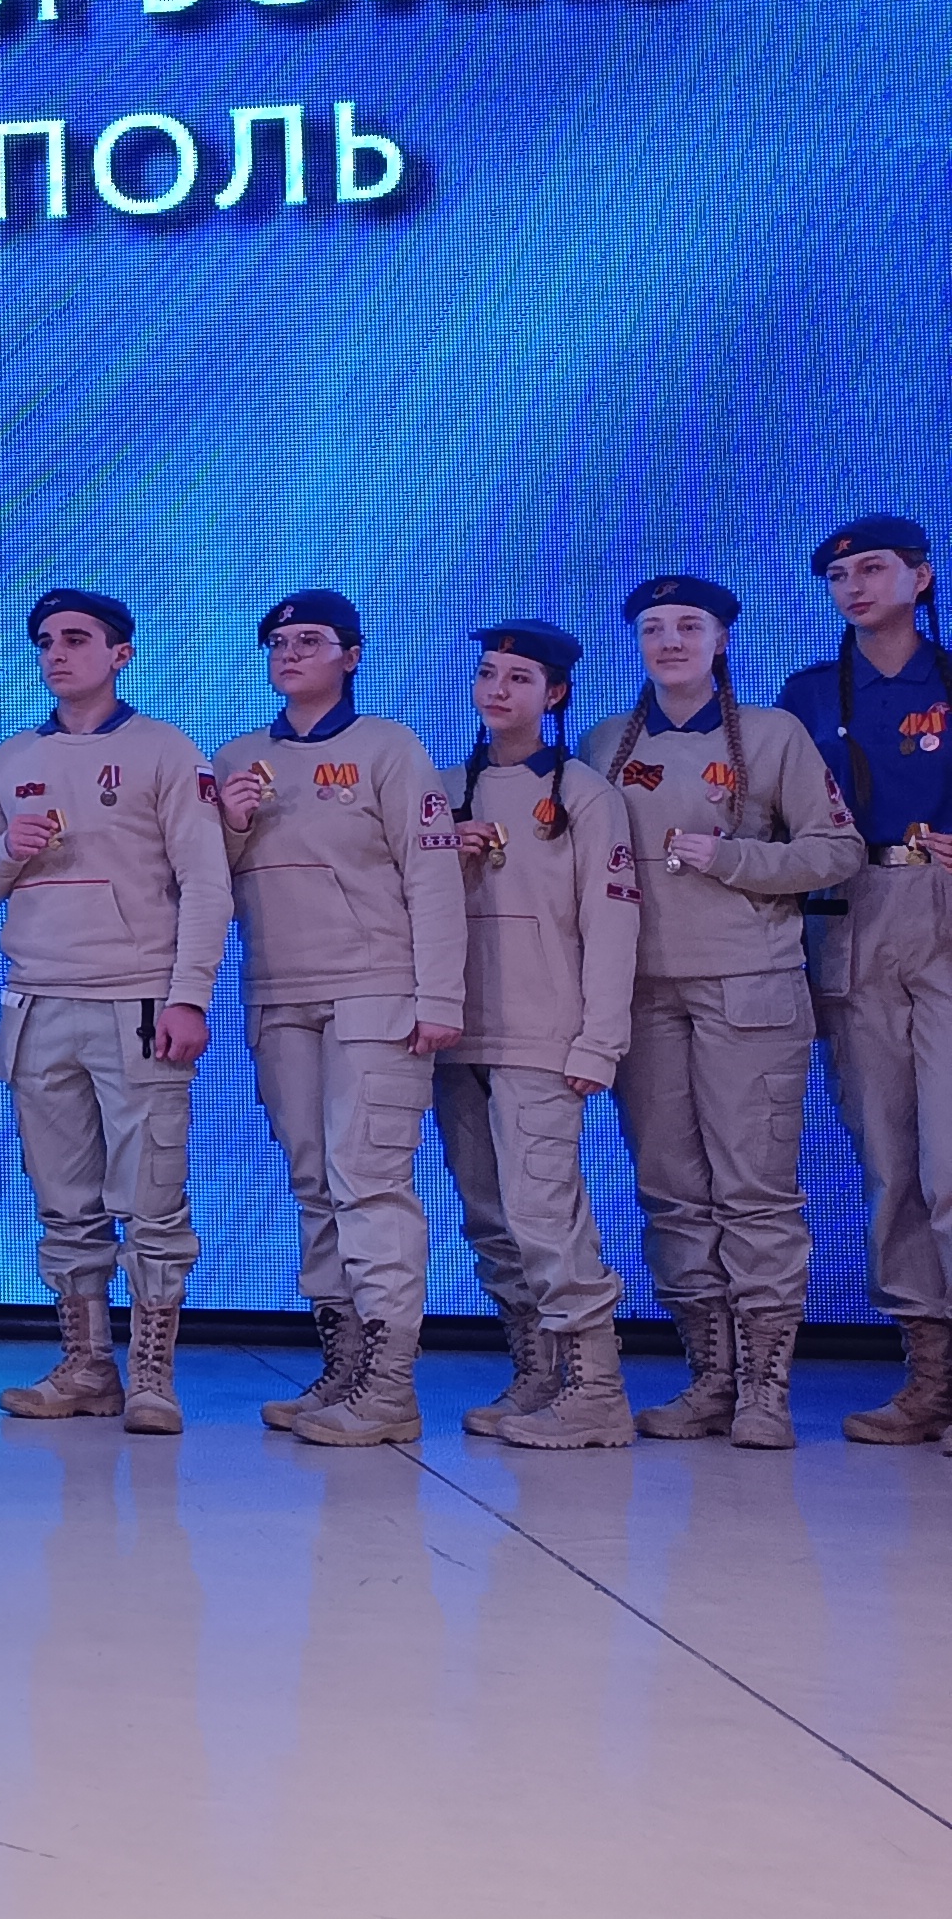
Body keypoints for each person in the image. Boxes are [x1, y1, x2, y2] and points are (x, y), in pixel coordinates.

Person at [586, 574, 857, 1445]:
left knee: (754, 1192)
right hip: (642, 991)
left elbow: (838, 850)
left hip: (750, 987)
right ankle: (710, 1377)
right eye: (653, 627)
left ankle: (765, 1389)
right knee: (671, 1191)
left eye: (688, 626)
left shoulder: (772, 736)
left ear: (721, 639)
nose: (670, 641)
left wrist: (733, 858)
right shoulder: (604, 743)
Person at [0, 589, 230, 1431]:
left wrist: (188, 997)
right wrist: (8, 853)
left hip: (136, 1002)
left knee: (151, 1200)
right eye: (45, 641)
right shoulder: (11, 759)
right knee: (64, 1201)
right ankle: (86, 1367)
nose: (57, 654)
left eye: (76, 639)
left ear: (120, 654)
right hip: (38, 1003)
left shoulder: (165, 751)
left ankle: (152, 1375)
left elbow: (206, 882)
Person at [208, 590, 466, 1447]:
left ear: (351, 656)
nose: (289, 653)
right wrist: (230, 823)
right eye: (278, 641)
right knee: (313, 1179)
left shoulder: (389, 748)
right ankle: (344, 1365)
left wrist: (439, 997)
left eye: (310, 640)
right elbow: (207, 882)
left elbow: (433, 877)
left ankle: (389, 1386)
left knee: (368, 1178)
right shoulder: (240, 758)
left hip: (375, 989)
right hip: (279, 992)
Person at [434, 621, 642, 1449]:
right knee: (490, 1221)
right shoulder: (445, 787)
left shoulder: (584, 792)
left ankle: (597, 1392)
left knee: (544, 1214)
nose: (498, 690)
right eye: (488, 673)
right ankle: (538, 1372)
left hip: (543, 1036)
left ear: (554, 694)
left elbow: (613, 923)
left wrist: (599, 1040)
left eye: (519, 678)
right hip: (457, 1039)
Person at [777, 513, 952, 1445]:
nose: (854, 587)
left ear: (921, 579)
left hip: (945, 908)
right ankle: (929, 1373)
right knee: (889, 1159)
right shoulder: (808, 693)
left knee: (951, 1157)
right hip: (850, 912)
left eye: (874, 569)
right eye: (839, 576)